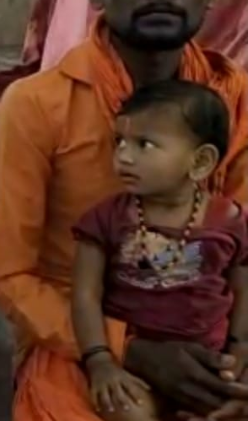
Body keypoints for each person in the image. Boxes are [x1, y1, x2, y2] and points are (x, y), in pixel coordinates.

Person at [0, 0, 248, 421]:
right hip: (77, 337)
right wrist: (126, 348)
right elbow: (10, 279)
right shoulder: (37, 103)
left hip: (210, 335)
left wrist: (237, 355)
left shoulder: (234, 96)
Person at [71, 81, 248, 421]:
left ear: (201, 162)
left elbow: (243, 288)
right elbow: (84, 296)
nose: (124, 156)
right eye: (119, 141)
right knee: (126, 410)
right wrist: (100, 361)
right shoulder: (105, 219)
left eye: (145, 144)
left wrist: (241, 348)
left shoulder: (231, 221)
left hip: (209, 363)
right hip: (133, 366)